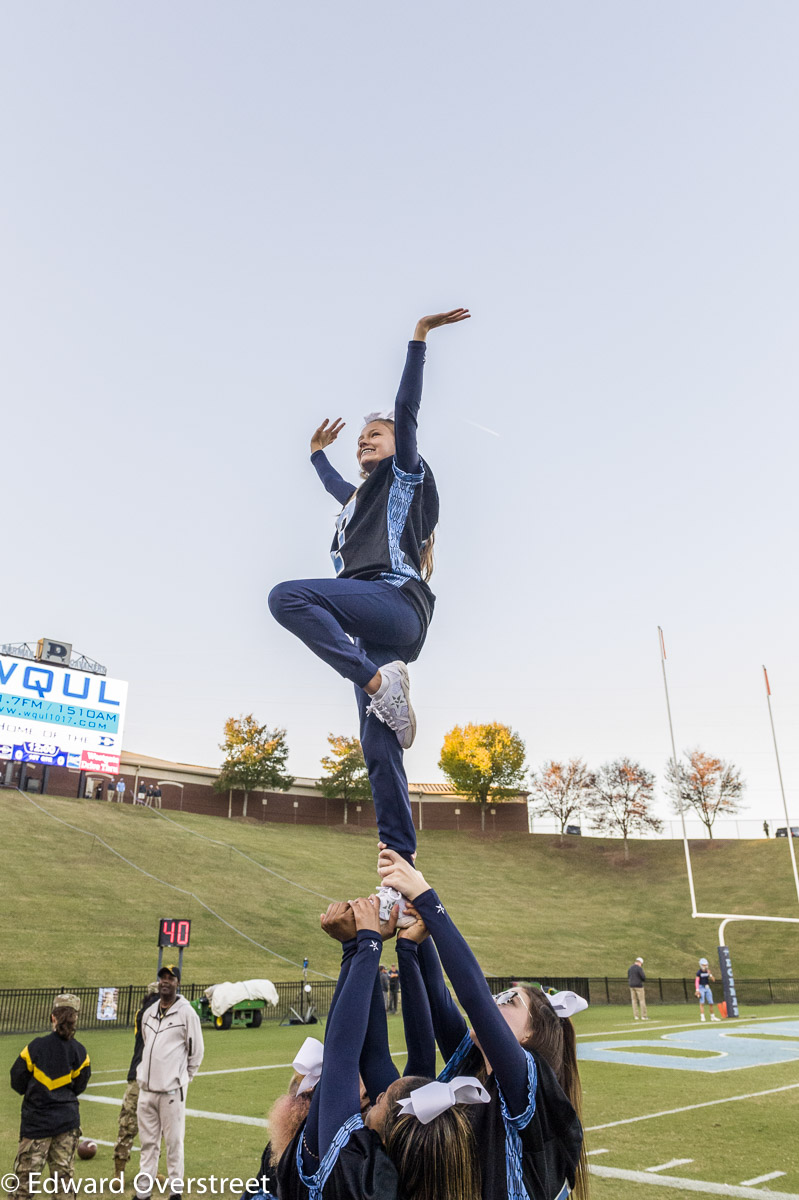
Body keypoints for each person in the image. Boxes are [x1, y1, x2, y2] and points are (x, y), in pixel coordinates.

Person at [268, 310, 470, 891]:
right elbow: (339, 489)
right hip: (372, 628)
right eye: (361, 441)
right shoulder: (357, 501)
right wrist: (314, 454)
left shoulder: (404, 475)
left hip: (396, 602)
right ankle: (398, 870)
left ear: (394, 446)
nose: (365, 442)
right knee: (378, 748)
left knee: (288, 598)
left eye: (372, 437)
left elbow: (405, 414)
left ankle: (381, 684)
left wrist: (418, 338)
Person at [377, 849, 587, 1200]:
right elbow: (439, 998)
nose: (494, 1002)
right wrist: (412, 929)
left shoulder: (527, 1086)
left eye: (509, 1001)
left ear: (530, 1035)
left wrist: (427, 898)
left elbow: (473, 997)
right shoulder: (473, 1066)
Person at [277, 895, 484, 1200]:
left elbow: (342, 1055)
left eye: (383, 1099)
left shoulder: (353, 1178)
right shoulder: (403, 1165)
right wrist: (403, 948)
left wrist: (364, 946)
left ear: (390, 1132)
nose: (379, 1092)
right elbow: (400, 1055)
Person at [9, 993, 91, 1200]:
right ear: (75, 1019)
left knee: (24, 1186)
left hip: (36, 1124)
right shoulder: (80, 1052)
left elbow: (16, 1080)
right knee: (63, 1184)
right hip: (67, 1123)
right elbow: (79, 1086)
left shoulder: (35, 1047)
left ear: (52, 1017)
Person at [135, 965, 204, 1200]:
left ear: (177, 983)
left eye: (170, 978)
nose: (165, 982)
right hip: (146, 1090)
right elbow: (146, 1043)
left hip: (172, 1091)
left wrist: (183, 1079)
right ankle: (143, 1192)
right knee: (148, 1145)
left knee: (173, 1144)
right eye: (163, 978)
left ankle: (175, 1191)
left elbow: (196, 1052)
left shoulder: (187, 1014)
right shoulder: (149, 1013)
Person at [113, 982, 160, 1181]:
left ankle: (123, 1173)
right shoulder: (146, 1014)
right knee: (139, 1126)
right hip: (145, 1077)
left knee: (134, 1126)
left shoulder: (141, 1013)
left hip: (152, 1078)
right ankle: (121, 1172)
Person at [695, 958, 721, 1022]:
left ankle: (712, 1017)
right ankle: (702, 1017)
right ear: (701, 965)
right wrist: (697, 989)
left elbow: (713, 980)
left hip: (707, 987)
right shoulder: (699, 972)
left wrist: (710, 974)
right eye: (703, 965)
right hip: (701, 987)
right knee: (702, 1003)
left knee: (711, 1003)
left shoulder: (708, 971)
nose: (705, 966)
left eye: (706, 964)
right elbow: (697, 981)